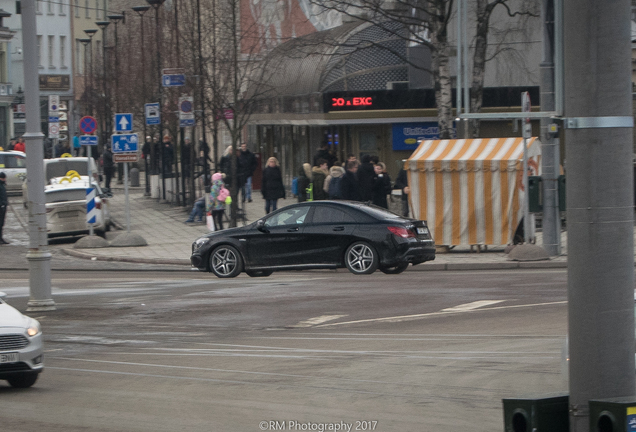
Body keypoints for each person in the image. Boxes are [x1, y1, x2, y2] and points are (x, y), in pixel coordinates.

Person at [0, 172, 8, 244]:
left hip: (3, 206)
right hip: (1, 206)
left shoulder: (2, 184)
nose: (4, 179)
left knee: (2, 222)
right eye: (3, 178)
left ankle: (1, 238)